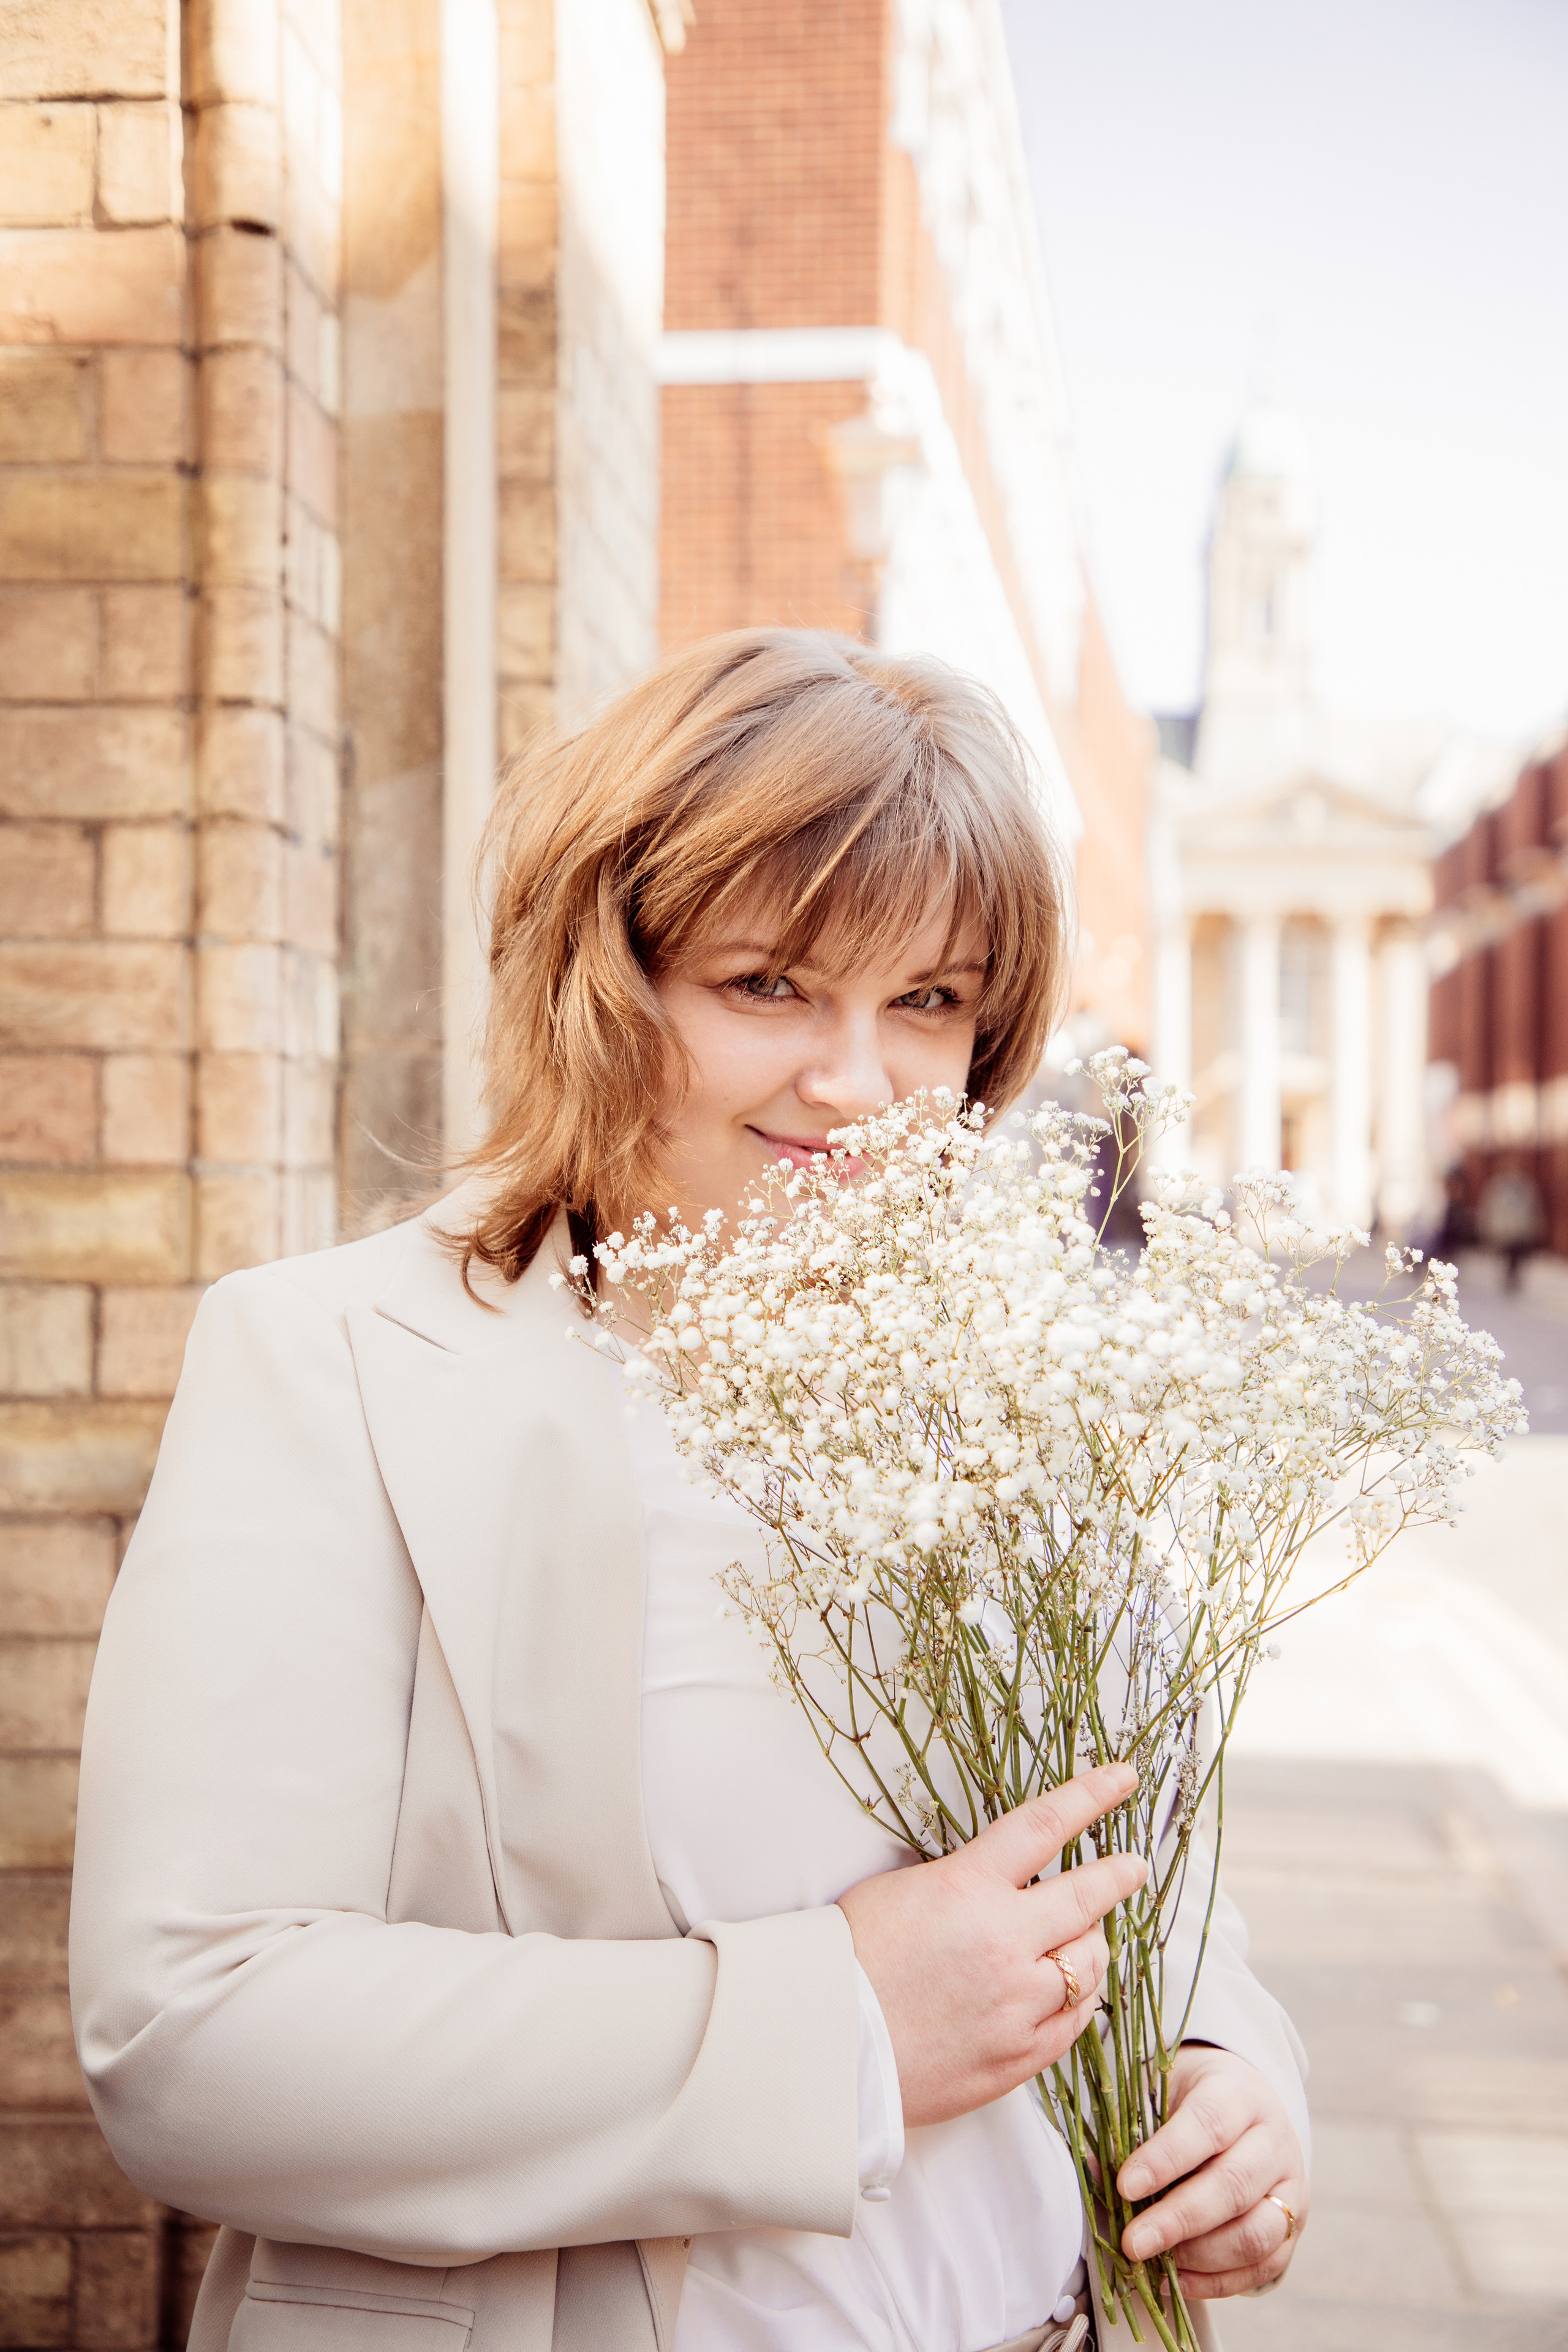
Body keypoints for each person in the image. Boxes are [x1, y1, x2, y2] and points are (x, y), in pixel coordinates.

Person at [70, 632, 1310, 2352]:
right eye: (770, 986)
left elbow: (1144, 1883)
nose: (856, 1083)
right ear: (604, 980)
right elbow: (191, 2037)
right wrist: (838, 2027)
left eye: (928, 1002)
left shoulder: (1020, 1392)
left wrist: (1228, 2070)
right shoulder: (336, 1366)